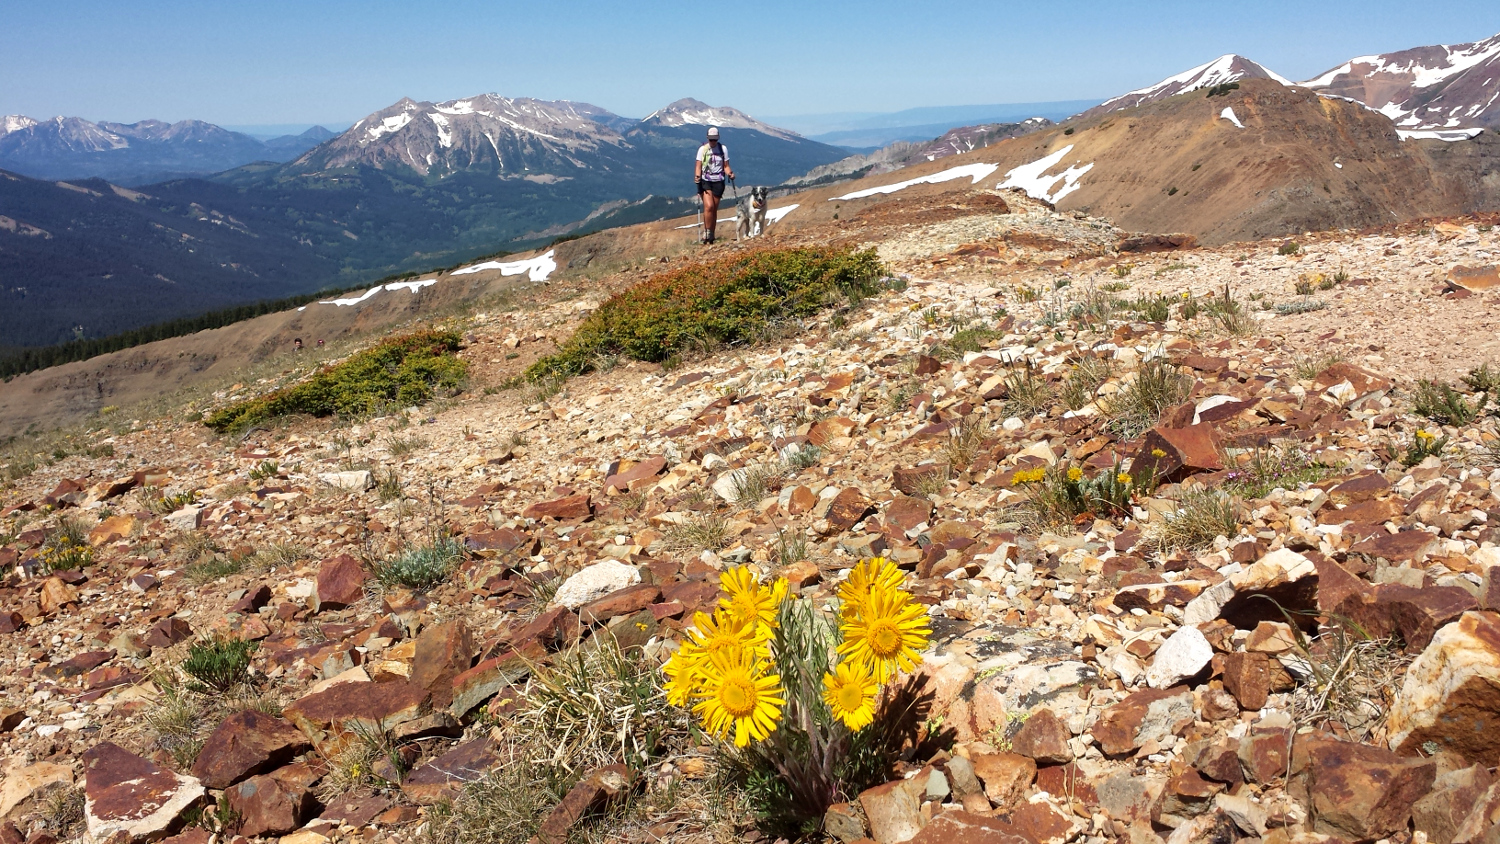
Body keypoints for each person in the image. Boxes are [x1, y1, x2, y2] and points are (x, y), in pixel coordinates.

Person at [694, 127, 734, 244]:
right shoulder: (702, 149)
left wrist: (730, 173)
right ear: (708, 139)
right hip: (705, 180)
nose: (713, 142)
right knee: (709, 206)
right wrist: (697, 176)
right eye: (711, 140)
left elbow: (726, 166)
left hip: (719, 181)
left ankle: (711, 234)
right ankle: (706, 232)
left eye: (714, 140)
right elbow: (698, 166)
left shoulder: (723, 149)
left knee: (714, 209)